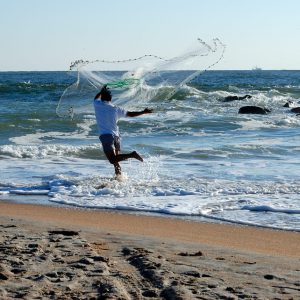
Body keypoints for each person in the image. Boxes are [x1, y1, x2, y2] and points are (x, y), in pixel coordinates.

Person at [94, 85, 153, 176]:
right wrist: (143, 112)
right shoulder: (116, 108)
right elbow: (130, 114)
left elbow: (96, 97)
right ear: (111, 98)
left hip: (106, 136)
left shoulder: (97, 104)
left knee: (112, 160)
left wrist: (101, 91)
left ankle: (132, 155)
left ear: (102, 96)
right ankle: (118, 179)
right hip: (116, 137)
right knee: (116, 162)